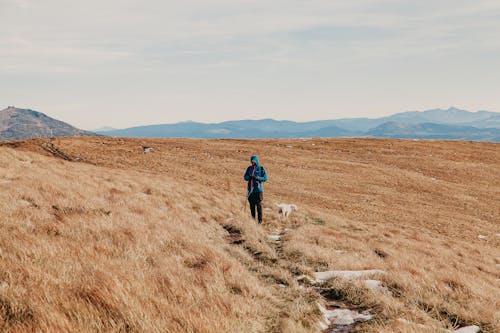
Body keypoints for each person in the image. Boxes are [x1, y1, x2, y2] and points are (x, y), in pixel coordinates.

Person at [244, 155, 268, 224]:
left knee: (259, 206)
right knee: (252, 207)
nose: (252, 162)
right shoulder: (249, 168)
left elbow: (265, 178)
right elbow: (245, 177)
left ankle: (260, 221)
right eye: (251, 161)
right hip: (250, 191)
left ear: (257, 161)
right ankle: (253, 221)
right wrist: (249, 177)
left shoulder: (261, 168)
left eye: (254, 161)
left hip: (258, 191)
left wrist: (258, 178)